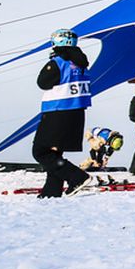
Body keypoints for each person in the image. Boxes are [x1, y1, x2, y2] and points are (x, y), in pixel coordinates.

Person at [33, 29, 95, 197]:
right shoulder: (82, 64)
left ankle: (77, 177)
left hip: (58, 111)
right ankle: (51, 191)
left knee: (41, 151)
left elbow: (43, 83)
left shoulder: (58, 62)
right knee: (54, 152)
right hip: (76, 112)